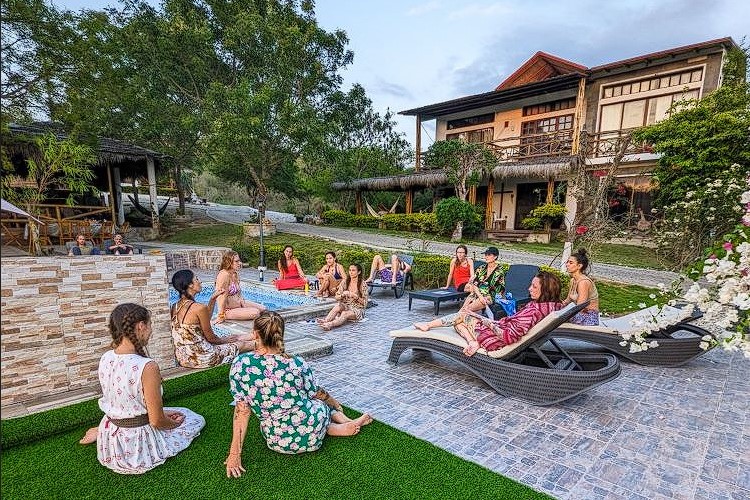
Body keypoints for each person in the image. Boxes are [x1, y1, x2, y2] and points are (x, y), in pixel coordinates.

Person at [224, 311, 372, 477]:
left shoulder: (240, 364)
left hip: (278, 440)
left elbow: (242, 412)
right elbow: (317, 393)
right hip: (311, 428)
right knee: (321, 405)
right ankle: (340, 421)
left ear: (255, 334)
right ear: (281, 334)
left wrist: (234, 455)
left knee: (306, 408)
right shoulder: (296, 363)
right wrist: (335, 402)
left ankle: (338, 425)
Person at [78, 303, 205, 474]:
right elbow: (156, 422)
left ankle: (101, 430)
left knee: (175, 411)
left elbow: (125, 399)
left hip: (112, 440)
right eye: (150, 325)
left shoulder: (106, 357)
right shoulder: (147, 366)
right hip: (137, 445)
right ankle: (102, 431)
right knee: (193, 418)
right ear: (141, 326)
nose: (151, 331)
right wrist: (172, 423)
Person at [414, 271, 562, 357]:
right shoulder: (551, 306)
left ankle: (428, 325)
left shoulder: (534, 311)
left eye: (534, 286)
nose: (529, 288)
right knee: (462, 320)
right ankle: (473, 342)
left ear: (546, 291)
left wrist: (486, 321)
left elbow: (508, 337)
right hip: (501, 327)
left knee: (463, 316)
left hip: (496, 340)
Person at [171, 269, 256, 368]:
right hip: (202, 357)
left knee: (235, 337)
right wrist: (226, 340)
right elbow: (212, 339)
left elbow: (206, 319)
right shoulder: (198, 308)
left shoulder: (175, 306)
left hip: (184, 357)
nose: (200, 281)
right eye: (196, 279)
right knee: (243, 345)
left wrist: (212, 299)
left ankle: (257, 335)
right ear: (190, 285)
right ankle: (271, 346)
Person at [214, 251, 266, 323]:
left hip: (239, 304)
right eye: (236, 261)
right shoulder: (224, 275)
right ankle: (226, 315)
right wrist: (221, 315)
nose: (240, 263)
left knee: (263, 308)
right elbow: (221, 297)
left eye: (239, 260)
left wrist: (242, 302)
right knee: (255, 313)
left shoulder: (235, 273)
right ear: (229, 262)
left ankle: (241, 310)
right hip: (228, 310)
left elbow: (239, 293)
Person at [317, 263, 368, 331]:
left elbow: (364, 303)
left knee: (344, 313)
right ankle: (326, 321)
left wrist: (355, 296)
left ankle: (330, 324)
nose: (351, 272)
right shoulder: (345, 282)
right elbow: (336, 297)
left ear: (358, 272)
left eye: (353, 270)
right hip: (346, 306)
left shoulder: (363, 284)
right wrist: (342, 295)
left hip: (357, 309)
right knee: (337, 306)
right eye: (350, 270)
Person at [460, 246, 505, 313]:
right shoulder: (482, 267)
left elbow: (490, 286)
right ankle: (457, 322)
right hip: (479, 293)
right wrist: (479, 296)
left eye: (489, 255)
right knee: (462, 310)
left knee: (467, 309)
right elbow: (475, 283)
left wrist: (479, 295)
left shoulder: (499, 270)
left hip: (491, 295)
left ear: (495, 257)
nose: (486, 257)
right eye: (486, 255)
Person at [561, 248, 600, 325]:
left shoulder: (583, 282)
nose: (567, 264)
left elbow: (580, 307)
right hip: (578, 313)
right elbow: (567, 300)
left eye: (571, 263)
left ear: (579, 266)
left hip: (588, 316)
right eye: (567, 262)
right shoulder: (573, 280)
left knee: (560, 319)